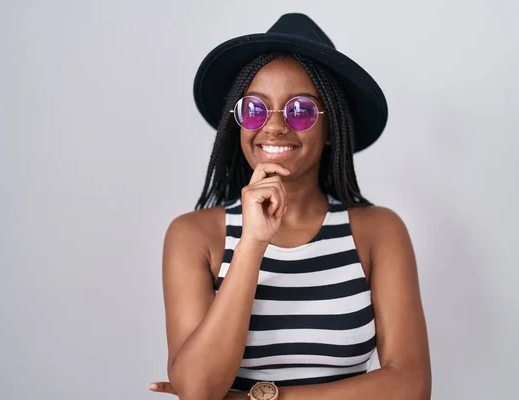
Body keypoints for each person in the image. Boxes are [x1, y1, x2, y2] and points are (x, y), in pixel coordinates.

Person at [149, 13, 431, 400]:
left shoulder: (378, 231)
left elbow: (411, 385)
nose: (276, 126)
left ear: (331, 129)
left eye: (300, 110)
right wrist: (251, 244)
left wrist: (262, 398)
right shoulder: (193, 236)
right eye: (255, 109)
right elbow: (197, 390)